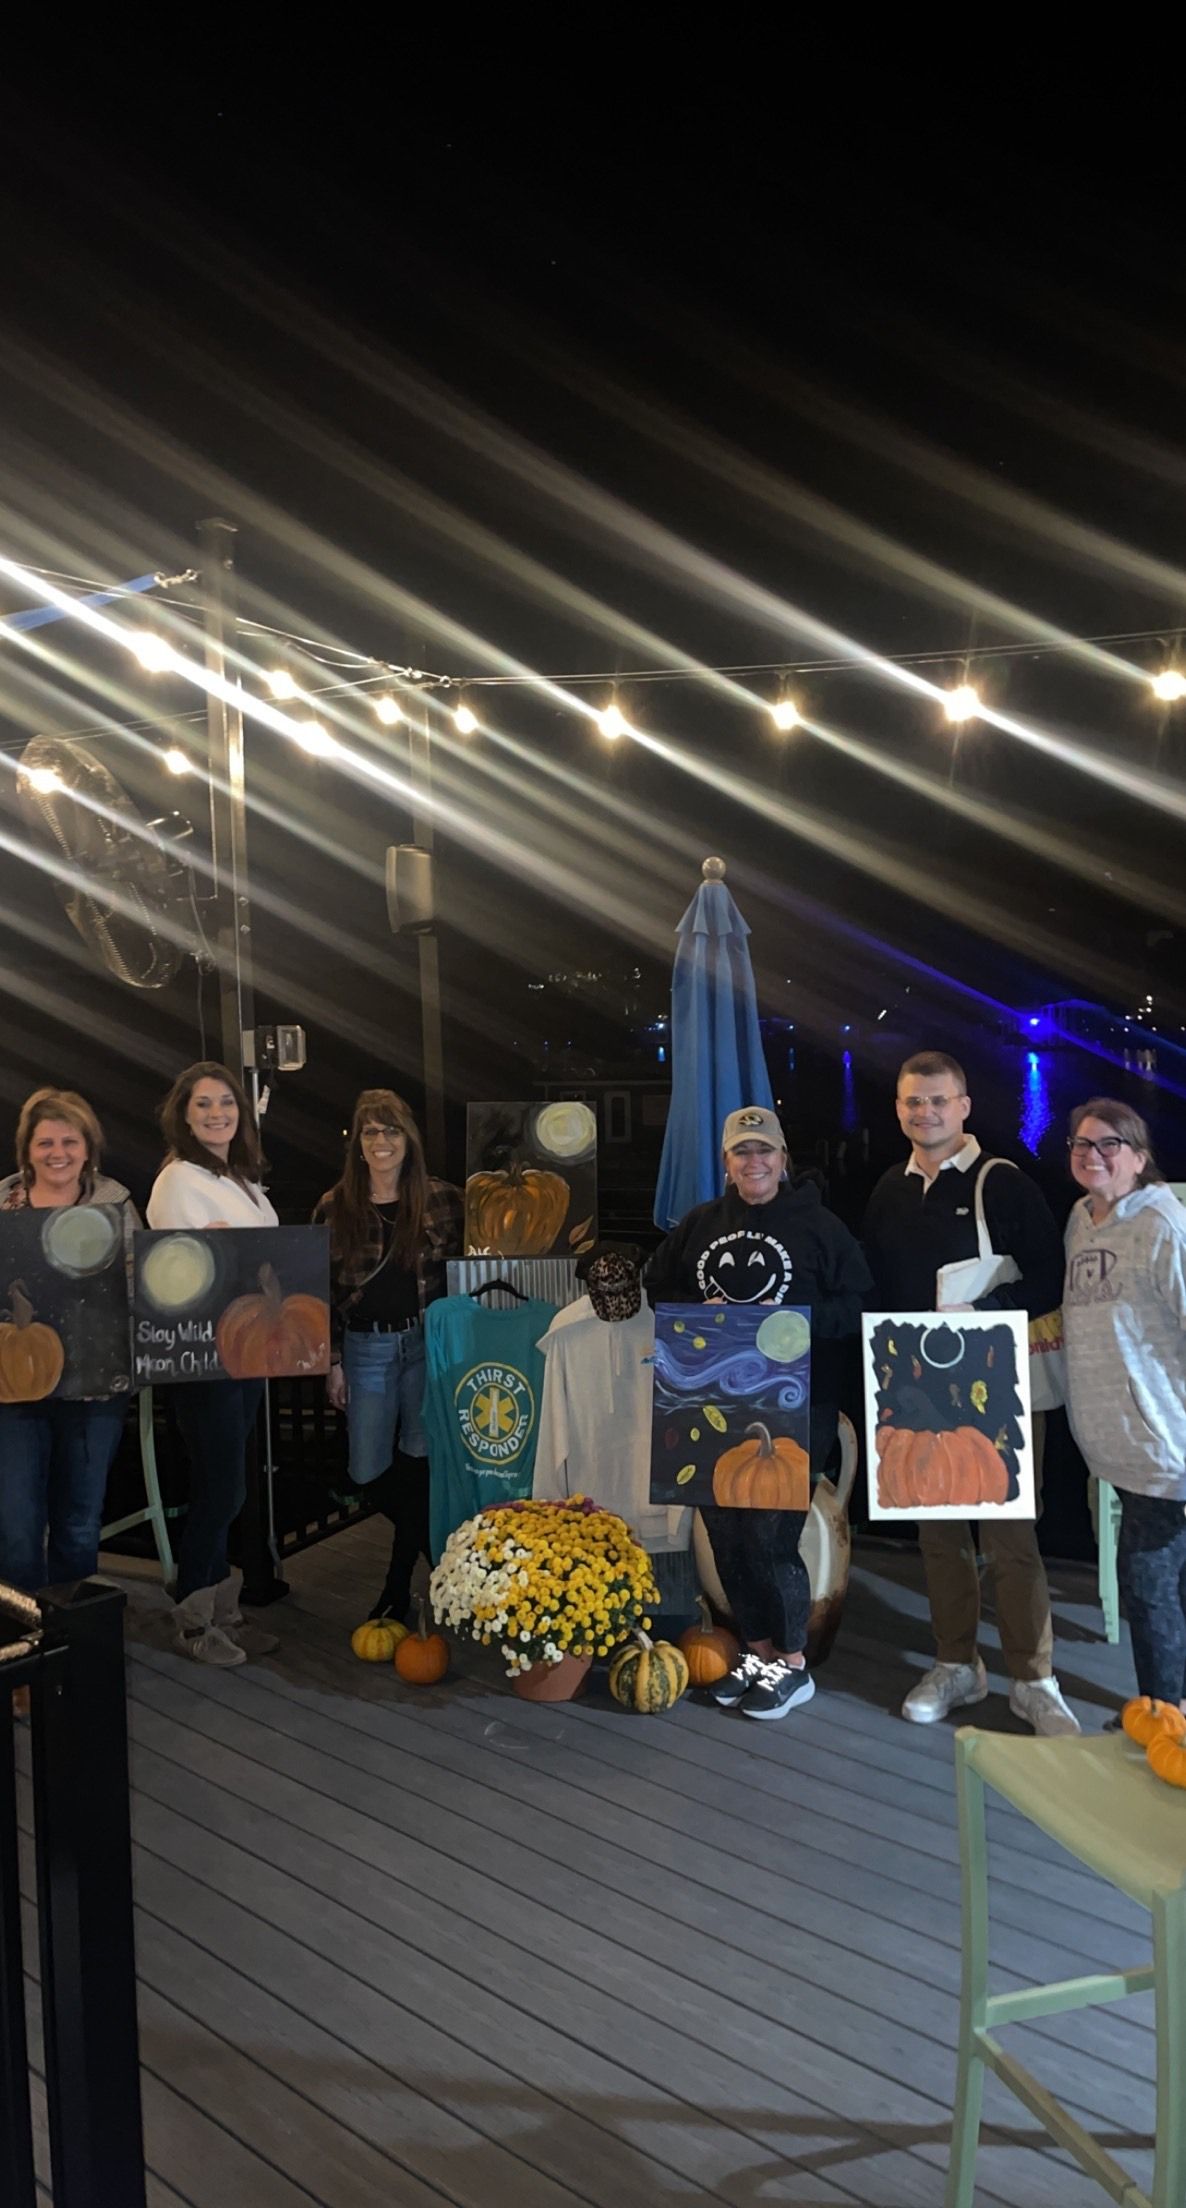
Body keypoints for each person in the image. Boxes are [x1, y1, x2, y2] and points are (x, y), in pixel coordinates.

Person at [862, 1049, 1079, 1735]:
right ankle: (957, 1663)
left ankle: (1033, 1677)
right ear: (898, 1109)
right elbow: (877, 1286)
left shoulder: (1003, 1183)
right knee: (939, 1537)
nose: (924, 1112)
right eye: (912, 1102)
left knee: (1013, 1540)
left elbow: (1050, 1275)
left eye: (937, 1100)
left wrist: (980, 1319)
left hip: (994, 1384)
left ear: (964, 1106)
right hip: (913, 1390)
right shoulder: (888, 1190)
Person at [647, 1105, 871, 1720]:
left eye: (764, 1151)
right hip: (712, 1400)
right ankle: (757, 1650)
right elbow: (656, 1283)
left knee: (770, 1537)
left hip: (797, 1401)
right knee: (725, 1534)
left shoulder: (818, 1225)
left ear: (782, 1159)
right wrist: (700, 1308)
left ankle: (794, 1666)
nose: (755, 1162)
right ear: (726, 1163)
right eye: (742, 1152)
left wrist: (793, 1318)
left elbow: (857, 1304)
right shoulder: (699, 1224)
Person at [147, 1061, 278, 1665]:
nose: (217, 1113)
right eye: (203, 1104)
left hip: (245, 1355)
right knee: (218, 1486)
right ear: (184, 1113)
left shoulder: (239, 1179)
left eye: (226, 1102)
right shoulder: (178, 1180)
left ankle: (224, 1608)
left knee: (230, 1485)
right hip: (206, 1359)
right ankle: (193, 1620)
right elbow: (184, 1275)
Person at [314, 1089, 462, 1621]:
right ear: (357, 1143)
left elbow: (472, 1273)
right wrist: (331, 1361)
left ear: (409, 1138)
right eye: (371, 1132)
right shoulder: (336, 1206)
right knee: (369, 1473)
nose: (381, 1142)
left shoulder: (444, 1199)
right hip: (366, 1346)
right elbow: (320, 1291)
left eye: (392, 1130)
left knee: (420, 1464)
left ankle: (398, 1586)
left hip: (426, 1344)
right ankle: (446, 1566)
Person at [1063, 1098, 1186, 1712]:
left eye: (1110, 1144)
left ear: (1139, 1158)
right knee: (1152, 1583)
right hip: (1116, 1443)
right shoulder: (1080, 1222)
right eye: (1082, 1145)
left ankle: (1165, 1717)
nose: (1094, 1156)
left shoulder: (1161, 1225)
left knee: (1150, 1582)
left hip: (1166, 1440)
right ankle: (1162, 1709)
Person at [0, 1088, 137, 1592]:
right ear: (27, 1149)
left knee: (80, 1520)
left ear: (88, 1146)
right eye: (45, 1142)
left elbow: (136, 1280)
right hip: (13, 1386)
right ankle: (25, 1637)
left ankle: (77, 1639)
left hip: (95, 1385)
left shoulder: (114, 1201)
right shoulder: (1, 1201)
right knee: (15, 1521)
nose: (58, 1153)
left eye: (69, 1140)